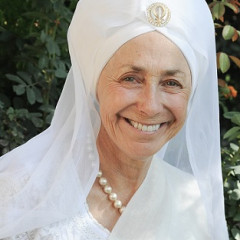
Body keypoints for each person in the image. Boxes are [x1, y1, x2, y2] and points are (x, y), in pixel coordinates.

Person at [0, 0, 229, 239]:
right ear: (94, 83)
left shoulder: (195, 204)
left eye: (171, 83)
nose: (149, 106)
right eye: (130, 78)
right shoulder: (18, 195)